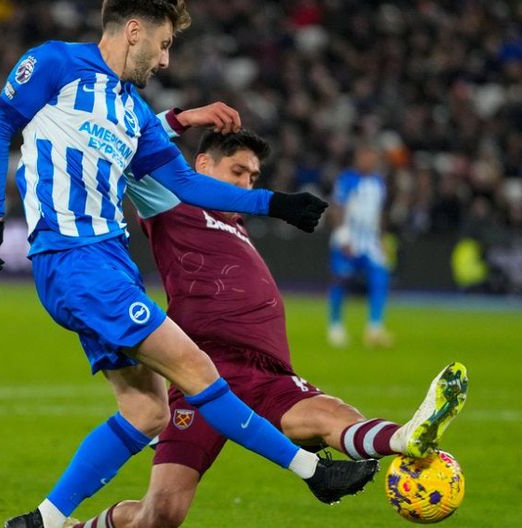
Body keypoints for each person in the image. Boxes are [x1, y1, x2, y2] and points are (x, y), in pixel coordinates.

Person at [0, 2, 376, 527]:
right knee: (197, 370)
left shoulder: (134, 112)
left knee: (148, 412)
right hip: (75, 260)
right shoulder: (54, 63)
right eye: (163, 46)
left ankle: (40, 522)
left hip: (110, 263)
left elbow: (183, 183)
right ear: (134, 31)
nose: (165, 60)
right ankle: (313, 472)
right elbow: (1, 124)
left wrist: (275, 203)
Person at [71, 128, 468, 528]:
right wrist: (179, 119)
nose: (246, 184)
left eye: (253, 177)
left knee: (327, 415)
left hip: (265, 372)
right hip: (201, 371)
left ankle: (403, 437)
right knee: (161, 515)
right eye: (237, 172)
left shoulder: (234, 223)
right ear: (203, 165)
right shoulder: (171, 201)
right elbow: (123, 152)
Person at [327, 144, 392, 348]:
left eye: (372, 157)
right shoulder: (347, 179)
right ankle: (335, 327)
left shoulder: (379, 183)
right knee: (341, 280)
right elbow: (337, 208)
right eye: (365, 157)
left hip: (370, 242)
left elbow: (379, 213)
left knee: (380, 276)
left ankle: (374, 328)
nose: (369, 161)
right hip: (349, 240)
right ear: (357, 158)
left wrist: (381, 239)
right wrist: (343, 237)